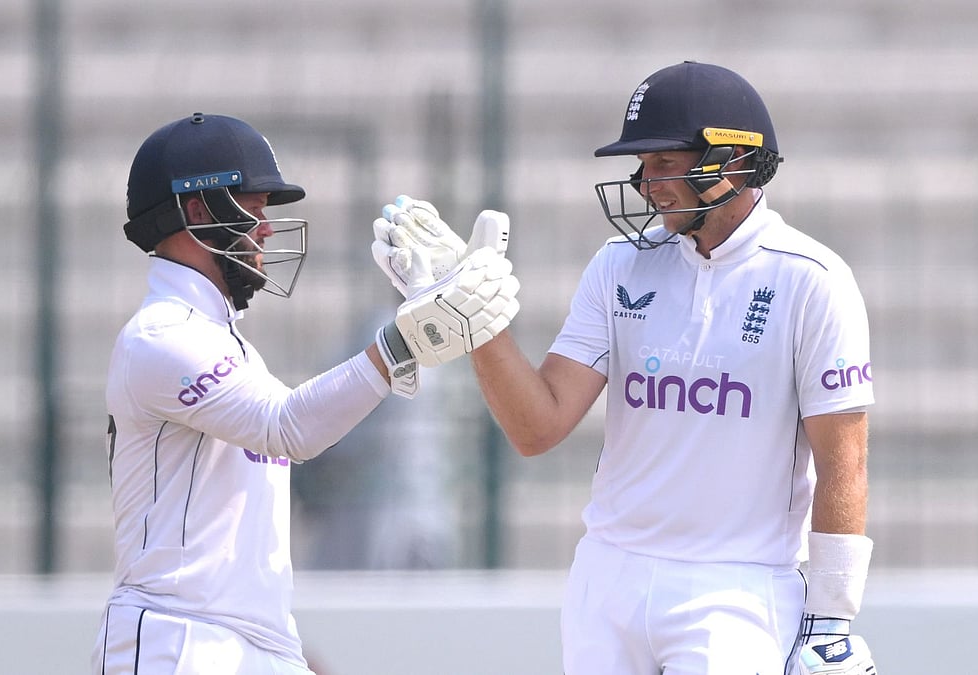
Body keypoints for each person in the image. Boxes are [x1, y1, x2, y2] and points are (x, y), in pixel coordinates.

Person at [372, 62, 877, 674]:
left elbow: (843, 461)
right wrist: (475, 319)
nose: (646, 183)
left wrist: (832, 618)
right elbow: (539, 427)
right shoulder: (618, 266)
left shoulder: (811, 279)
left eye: (665, 162)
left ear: (735, 162)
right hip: (607, 578)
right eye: (642, 166)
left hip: (735, 590)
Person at [93, 112, 518, 674]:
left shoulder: (218, 338)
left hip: (242, 638)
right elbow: (287, 427)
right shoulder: (163, 336)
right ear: (198, 211)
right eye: (253, 206)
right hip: (179, 641)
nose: (266, 228)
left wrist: (409, 342)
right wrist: (402, 341)